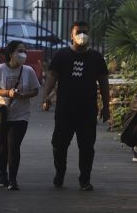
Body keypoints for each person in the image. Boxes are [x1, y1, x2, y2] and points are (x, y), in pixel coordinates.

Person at [41, 21, 110, 191]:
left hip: (87, 111)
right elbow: (52, 77)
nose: (82, 35)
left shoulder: (96, 58)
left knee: (87, 147)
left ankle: (84, 179)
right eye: (78, 32)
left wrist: (106, 106)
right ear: (71, 35)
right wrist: (45, 97)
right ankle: (60, 172)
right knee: (58, 145)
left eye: (85, 32)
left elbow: (104, 83)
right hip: (65, 110)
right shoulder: (62, 56)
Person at [0, 41, 40, 190]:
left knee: (14, 146)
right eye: (19, 51)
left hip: (21, 115)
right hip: (2, 113)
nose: (23, 54)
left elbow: (35, 90)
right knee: (3, 146)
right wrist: (7, 93)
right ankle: (2, 175)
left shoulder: (28, 71)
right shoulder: (0, 69)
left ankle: (12, 179)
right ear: (11, 54)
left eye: (24, 51)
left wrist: (23, 95)